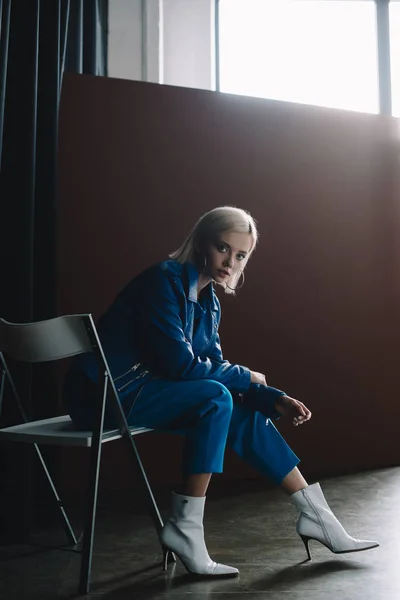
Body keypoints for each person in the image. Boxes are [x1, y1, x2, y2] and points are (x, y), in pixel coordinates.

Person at [64, 206, 379, 577]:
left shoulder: (209, 303)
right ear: (201, 243)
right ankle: (185, 529)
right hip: (103, 395)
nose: (231, 262)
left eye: (241, 255)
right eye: (223, 248)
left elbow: (216, 370)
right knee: (216, 399)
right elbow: (181, 367)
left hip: (147, 392)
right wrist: (248, 377)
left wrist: (271, 397)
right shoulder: (161, 282)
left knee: (228, 403)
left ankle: (318, 518)